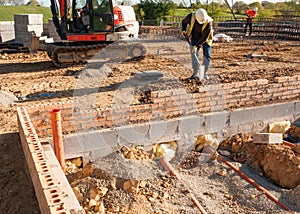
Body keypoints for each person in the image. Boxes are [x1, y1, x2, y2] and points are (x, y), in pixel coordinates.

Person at [181, 8, 213, 80]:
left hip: (206, 39)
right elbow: (183, 22)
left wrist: (197, 46)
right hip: (195, 37)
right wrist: (183, 29)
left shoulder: (209, 22)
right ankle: (196, 73)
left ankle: (203, 74)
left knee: (207, 56)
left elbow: (204, 38)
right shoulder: (190, 17)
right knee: (194, 54)